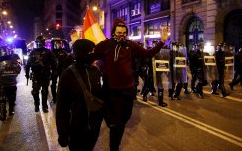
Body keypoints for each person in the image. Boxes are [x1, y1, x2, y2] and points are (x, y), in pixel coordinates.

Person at [93, 18, 169, 150]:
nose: (121, 35)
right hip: (111, 91)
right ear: (113, 32)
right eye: (119, 33)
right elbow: (90, 54)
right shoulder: (106, 45)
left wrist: (162, 41)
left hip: (128, 90)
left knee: (124, 119)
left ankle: (115, 135)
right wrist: (76, 43)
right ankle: (114, 146)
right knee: (115, 123)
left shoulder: (130, 45)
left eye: (124, 33)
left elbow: (147, 54)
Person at [56, 39, 104, 150]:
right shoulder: (68, 74)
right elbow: (61, 107)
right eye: (91, 52)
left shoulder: (95, 71)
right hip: (76, 129)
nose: (94, 54)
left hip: (93, 128)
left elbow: (99, 97)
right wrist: (63, 134)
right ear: (83, 53)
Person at [25, 36, 58, 113]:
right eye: (38, 42)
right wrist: (27, 73)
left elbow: (54, 63)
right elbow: (28, 64)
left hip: (45, 74)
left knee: (44, 91)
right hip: (36, 75)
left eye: (40, 42)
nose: (39, 44)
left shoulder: (48, 52)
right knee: (35, 91)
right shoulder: (32, 52)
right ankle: (36, 105)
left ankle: (44, 106)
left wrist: (54, 72)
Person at [0, 46, 21, 121]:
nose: (4, 52)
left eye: (5, 51)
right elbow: (19, 68)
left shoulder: (1, 59)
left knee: (2, 98)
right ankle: (11, 110)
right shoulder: (4, 59)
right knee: (11, 97)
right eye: (3, 51)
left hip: (4, 81)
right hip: (11, 81)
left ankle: (4, 114)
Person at [50, 39, 69, 103]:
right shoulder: (53, 51)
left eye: (60, 44)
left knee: (63, 84)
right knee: (53, 84)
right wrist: (56, 40)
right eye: (58, 44)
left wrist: (62, 40)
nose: (59, 45)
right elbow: (52, 42)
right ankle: (54, 98)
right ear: (56, 45)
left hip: (63, 70)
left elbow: (67, 45)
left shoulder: (64, 51)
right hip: (55, 70)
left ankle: (62, 97)